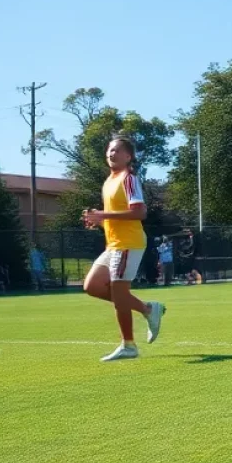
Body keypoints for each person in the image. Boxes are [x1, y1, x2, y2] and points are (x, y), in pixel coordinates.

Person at [82, 137, 166, 363]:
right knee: (92, 286)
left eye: (117, 150)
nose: (111, 153)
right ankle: (148, 309)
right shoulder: (109, 182)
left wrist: (103, 215)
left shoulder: (129, 179)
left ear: (128, 156)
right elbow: (117, 216)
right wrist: (99, 221)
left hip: (128, 243)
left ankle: (128, 345)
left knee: (119, 295)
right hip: (113, 244)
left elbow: (139, 213)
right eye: (109, 150)